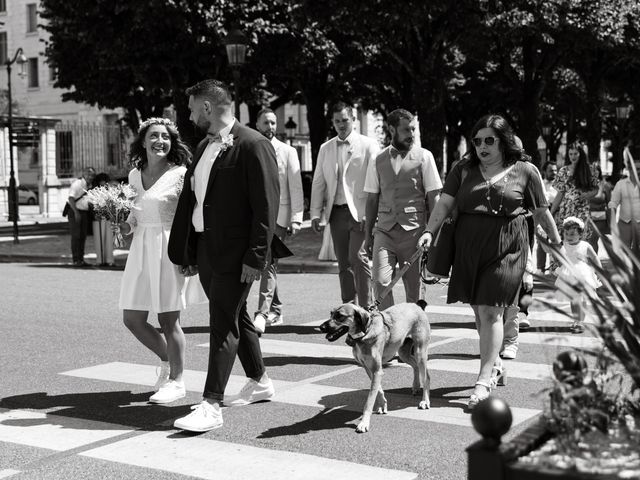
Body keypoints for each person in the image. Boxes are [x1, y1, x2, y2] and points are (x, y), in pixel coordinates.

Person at [168, 79, 291, 432]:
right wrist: (191, 249)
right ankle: (260, 380)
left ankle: (211, 404)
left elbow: (265, 208)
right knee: (237, 317)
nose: (190, 116)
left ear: (208, 107)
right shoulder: (206, 145)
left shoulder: (254, 144)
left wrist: (255, 258)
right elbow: (198, 201)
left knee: (222, 323)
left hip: (237, 255)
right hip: (207, 250)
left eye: (193, 109)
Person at [418, 114, 561, 410]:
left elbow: (541, 212)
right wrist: (429, 232)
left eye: (489, 140)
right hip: (469, 245)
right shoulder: (463, 168)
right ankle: (494, 364)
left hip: (509, 245)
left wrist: (558, 246)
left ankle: (483, 381)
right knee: (480, 311)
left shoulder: (526, 170)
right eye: (477, 140)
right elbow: (444, 203)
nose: (482, 146)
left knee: (491, 310)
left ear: (503, 141)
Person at [117, 117, 205, 405]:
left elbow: (191, 217)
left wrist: (190, 254)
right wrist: (123, 226)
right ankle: (170, 364)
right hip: (141, 247)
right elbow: (133, 215)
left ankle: (177, 381)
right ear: (143, 141)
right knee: (132, 317)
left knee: (168, 319)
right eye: (154, 136)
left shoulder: (181, 173)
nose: (160, 141)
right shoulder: (133, 175)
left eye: (165, 137)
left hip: (169, 247)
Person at [364, 109, 441, 309]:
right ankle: (389, 329)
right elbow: (372, 199)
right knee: (380, 283)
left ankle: (412, 334)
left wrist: (432, 232)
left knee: (414, 291)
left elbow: (435, 197)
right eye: (406, 129)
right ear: (391, 129)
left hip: (415, 233)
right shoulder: (377, 159)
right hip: (385, 231)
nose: (412, 134)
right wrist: (367, 235)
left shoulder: (425, 157)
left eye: (413, 129)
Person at [310, 101, 379, 306]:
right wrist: (315, 213)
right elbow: (318, 181)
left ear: (354, 120)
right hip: (336, 213)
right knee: (343, 263)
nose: (341, 124)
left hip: (360, 212)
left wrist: (372, 213)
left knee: (358, 257)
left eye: (345, 120)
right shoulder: (326, 148)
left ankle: (366, 307)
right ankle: (349, 306)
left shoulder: (368, 145)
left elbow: (376, 182)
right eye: (337, 121)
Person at [253, 107, 304, 333]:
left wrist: (296, 218)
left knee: (267, 262)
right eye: (266, 123)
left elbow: (295, 186)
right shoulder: (250, 149)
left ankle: (262, 313)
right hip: (255, 216)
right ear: (257, 125)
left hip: (280, 217)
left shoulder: (287, 151)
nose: (270, 127)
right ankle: (277, 309)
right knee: (268, 264)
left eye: (273, 123)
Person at [554, 216, 602, 334]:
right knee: (573, 298)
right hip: (569, 274)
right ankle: (576, 320)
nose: (568, 237)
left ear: (580, 234)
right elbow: (559, 256)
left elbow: (595, 257)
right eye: (566, 234)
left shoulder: (585, 245)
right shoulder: (563, 245)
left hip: (583, 274)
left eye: (572, 234)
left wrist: (599, 270)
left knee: (581, 298)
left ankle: (581, 321)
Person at [550, 142, 600, 245]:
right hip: (565, 211)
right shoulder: (563, 171)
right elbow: (560, 194)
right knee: (565, 242)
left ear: (581, 154)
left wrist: (587, 195)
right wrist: (550, 213)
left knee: (580, 242)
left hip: (582, 210)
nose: (573, 156)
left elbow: (596, 189)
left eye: (575, 153)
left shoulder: (590, 170)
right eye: (570, 154)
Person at [608, 155, 640, 256]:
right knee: (625, 253)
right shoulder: (620, 184)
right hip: (625, 223)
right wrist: (612, 216)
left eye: (639, 169)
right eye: (636, 169)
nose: (638, 171)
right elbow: (613, 202)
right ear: (629, 169)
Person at [67, 166, 96, 267]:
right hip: (75, 211)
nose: (90, 176)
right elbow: (71, 198)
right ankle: (76, 259)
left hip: (84, 212)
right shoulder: (78, 184)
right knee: (76, 236)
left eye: (92, 175)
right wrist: (76, 213)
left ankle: (81, 259)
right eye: (88, 174)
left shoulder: (90, 186)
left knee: (83, 236)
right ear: (84, 174)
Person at [536, 161, 558, 273]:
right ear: (545, 171)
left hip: (556, 214)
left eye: (555, 170)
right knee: (541, 240)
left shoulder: (559, 185)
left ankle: (554, 267)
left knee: (555, 240)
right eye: (551, 170)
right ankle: (540, 268)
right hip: (542, 213)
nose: (554, 172)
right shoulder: (540, 183)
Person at [90, 172, 115, 266]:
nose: (103, 183)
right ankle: (100, 260)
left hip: (108, 218)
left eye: (104, 182)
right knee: (98, 239)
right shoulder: (94, 192)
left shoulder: (110, 191)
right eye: (101, 182)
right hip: (97, 219)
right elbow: (91, 205)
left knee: (109, 239)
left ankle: (109, 260)